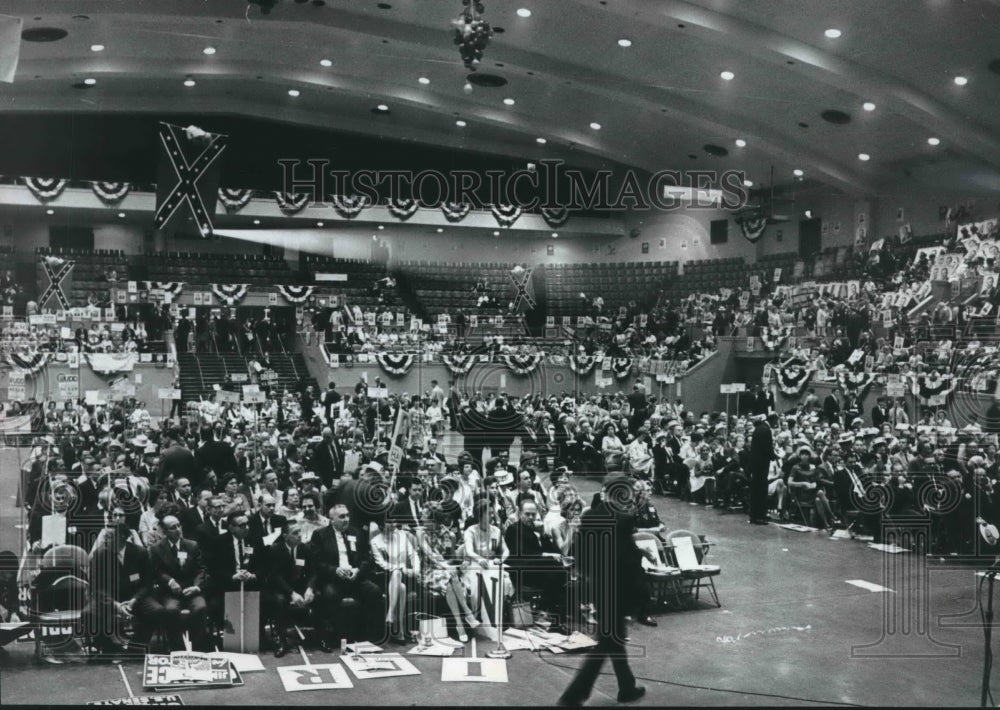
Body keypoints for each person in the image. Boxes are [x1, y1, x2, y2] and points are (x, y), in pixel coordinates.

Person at [557, 488, 645, 707]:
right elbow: (628, 561)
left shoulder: (591, 517)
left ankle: (626, 687)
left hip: (599, 587)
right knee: (607, 642)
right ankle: (573, 696)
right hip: (617, 591)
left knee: (612, 640)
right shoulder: (623, 522)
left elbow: (581, 554)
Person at [748, 413, 778, 525]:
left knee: (757, 490)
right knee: (760, 490)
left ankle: (757, 514)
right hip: (760, 465)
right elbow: (767, 448)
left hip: (756, 464)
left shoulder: (760, 428)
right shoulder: (766, 430)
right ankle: (758, 516)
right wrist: (774, 456)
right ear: (773, 420)